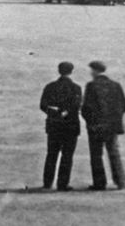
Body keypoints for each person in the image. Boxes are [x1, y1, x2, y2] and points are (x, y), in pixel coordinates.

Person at [80, 61, 125, 191]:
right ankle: (120, 182)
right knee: (114, 153)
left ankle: (99, 183)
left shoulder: (91, 86)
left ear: (95, 71)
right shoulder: (116, 85)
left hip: (96, 126)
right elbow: (124, 105)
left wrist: (90, 122)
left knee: (96, 155)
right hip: (112, 126)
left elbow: (86, 108)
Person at [40, 61, 82, 191]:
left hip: (54, 125)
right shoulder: (76, 88)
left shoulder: (50, 87)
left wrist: (55, 112)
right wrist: (65, 112)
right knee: (67, 156)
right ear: (71, 71)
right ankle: (62, 184)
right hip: (70, 126)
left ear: (59, 70)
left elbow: (43, 105)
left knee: (51, 154)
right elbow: (77, 106)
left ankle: (47, 183)